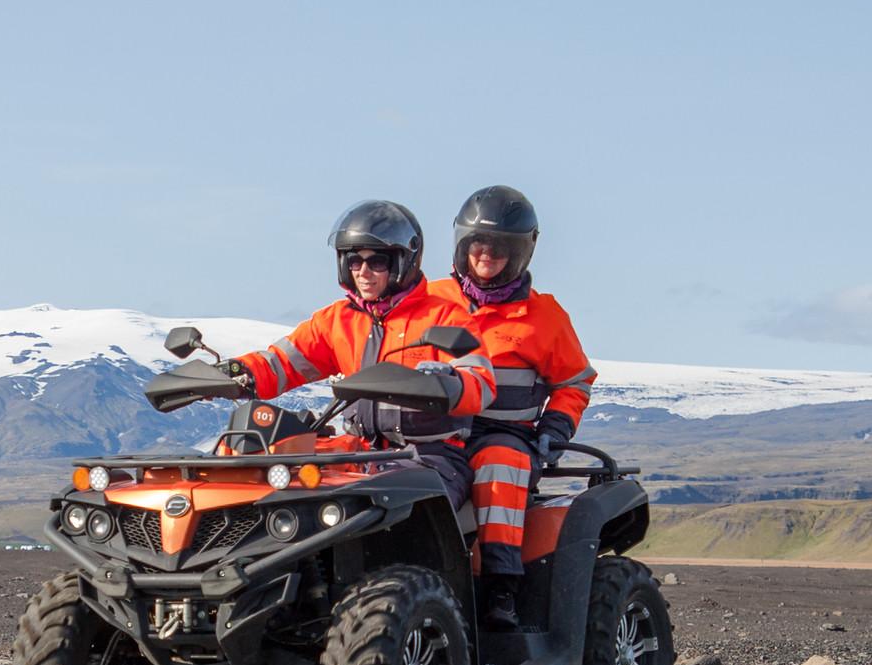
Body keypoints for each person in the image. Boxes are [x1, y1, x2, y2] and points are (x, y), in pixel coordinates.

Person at [223, 200, 496, 508]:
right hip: (359, 453)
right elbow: (281, 363)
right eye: (354, 261)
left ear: (404, 262)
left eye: (377, 261)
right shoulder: (336, 320)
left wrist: (446, 382)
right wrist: (235, 373)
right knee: (280, 492)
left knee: (381, 502)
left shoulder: (445, 316)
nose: (364, 272)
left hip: (431, 457)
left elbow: (480, 384)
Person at [427, 185, 597, 631]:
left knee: (500, 465)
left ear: (521, 253)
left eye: (501, 247)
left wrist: (555, 428)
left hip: (505, 434)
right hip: (433, 432)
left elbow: (574, 382)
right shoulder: (431, 300)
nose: (487, 254)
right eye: (479, 244)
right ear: (462, 245)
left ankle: (501, 586)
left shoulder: (545, 317)